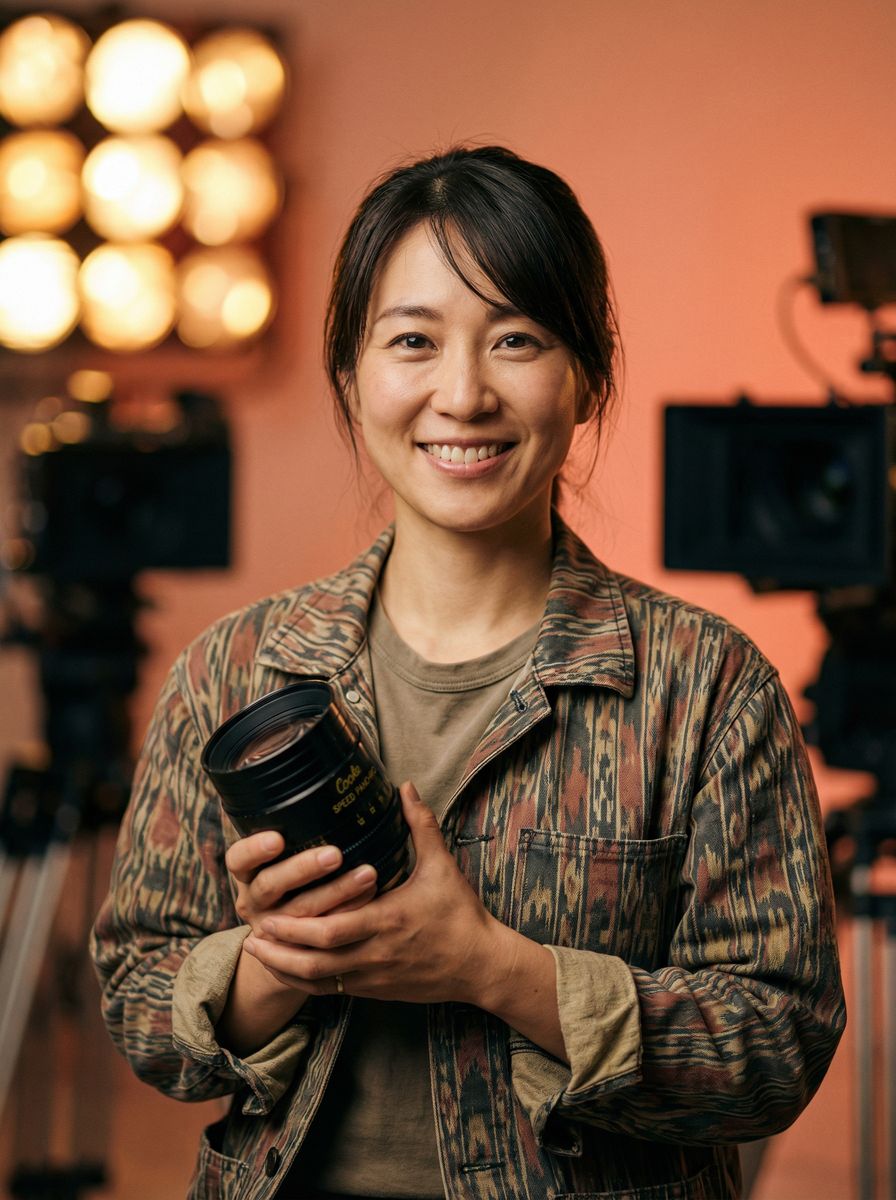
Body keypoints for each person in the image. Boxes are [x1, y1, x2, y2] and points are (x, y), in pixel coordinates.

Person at [91, 145, 846, 1200]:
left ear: (586, 379)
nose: (462, 393)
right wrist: (272, 967)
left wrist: (494, 970)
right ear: (351, 379)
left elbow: (775, 1046)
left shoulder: (703, 688)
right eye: (412, 341)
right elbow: (137, 994)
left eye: (515, 340)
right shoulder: (235, 671)